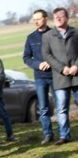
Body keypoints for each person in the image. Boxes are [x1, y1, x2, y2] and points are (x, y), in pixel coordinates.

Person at [41, 7, 74, 145]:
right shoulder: (48, 36)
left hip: (76, 74)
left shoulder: (75, 32)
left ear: (66, 17)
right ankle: (64, 135)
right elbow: (47, 55)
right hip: (60, 77)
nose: (58, 19)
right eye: (56, 17)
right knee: (61, 108)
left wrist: (76, 66)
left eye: (61, 16)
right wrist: (62, 68)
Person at [23, 9, 55, 144]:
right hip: (40, 76)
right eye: (34, 19)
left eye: (38, 19)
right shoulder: (31, 38)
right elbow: (26, 57)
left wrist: (51, 62)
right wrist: (38, 64)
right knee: (43, 107)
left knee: (60, 105)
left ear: (46, 19)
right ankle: (48, 134)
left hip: (55, 74)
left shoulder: (54, 34)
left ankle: (64, 133)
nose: (36, 21)